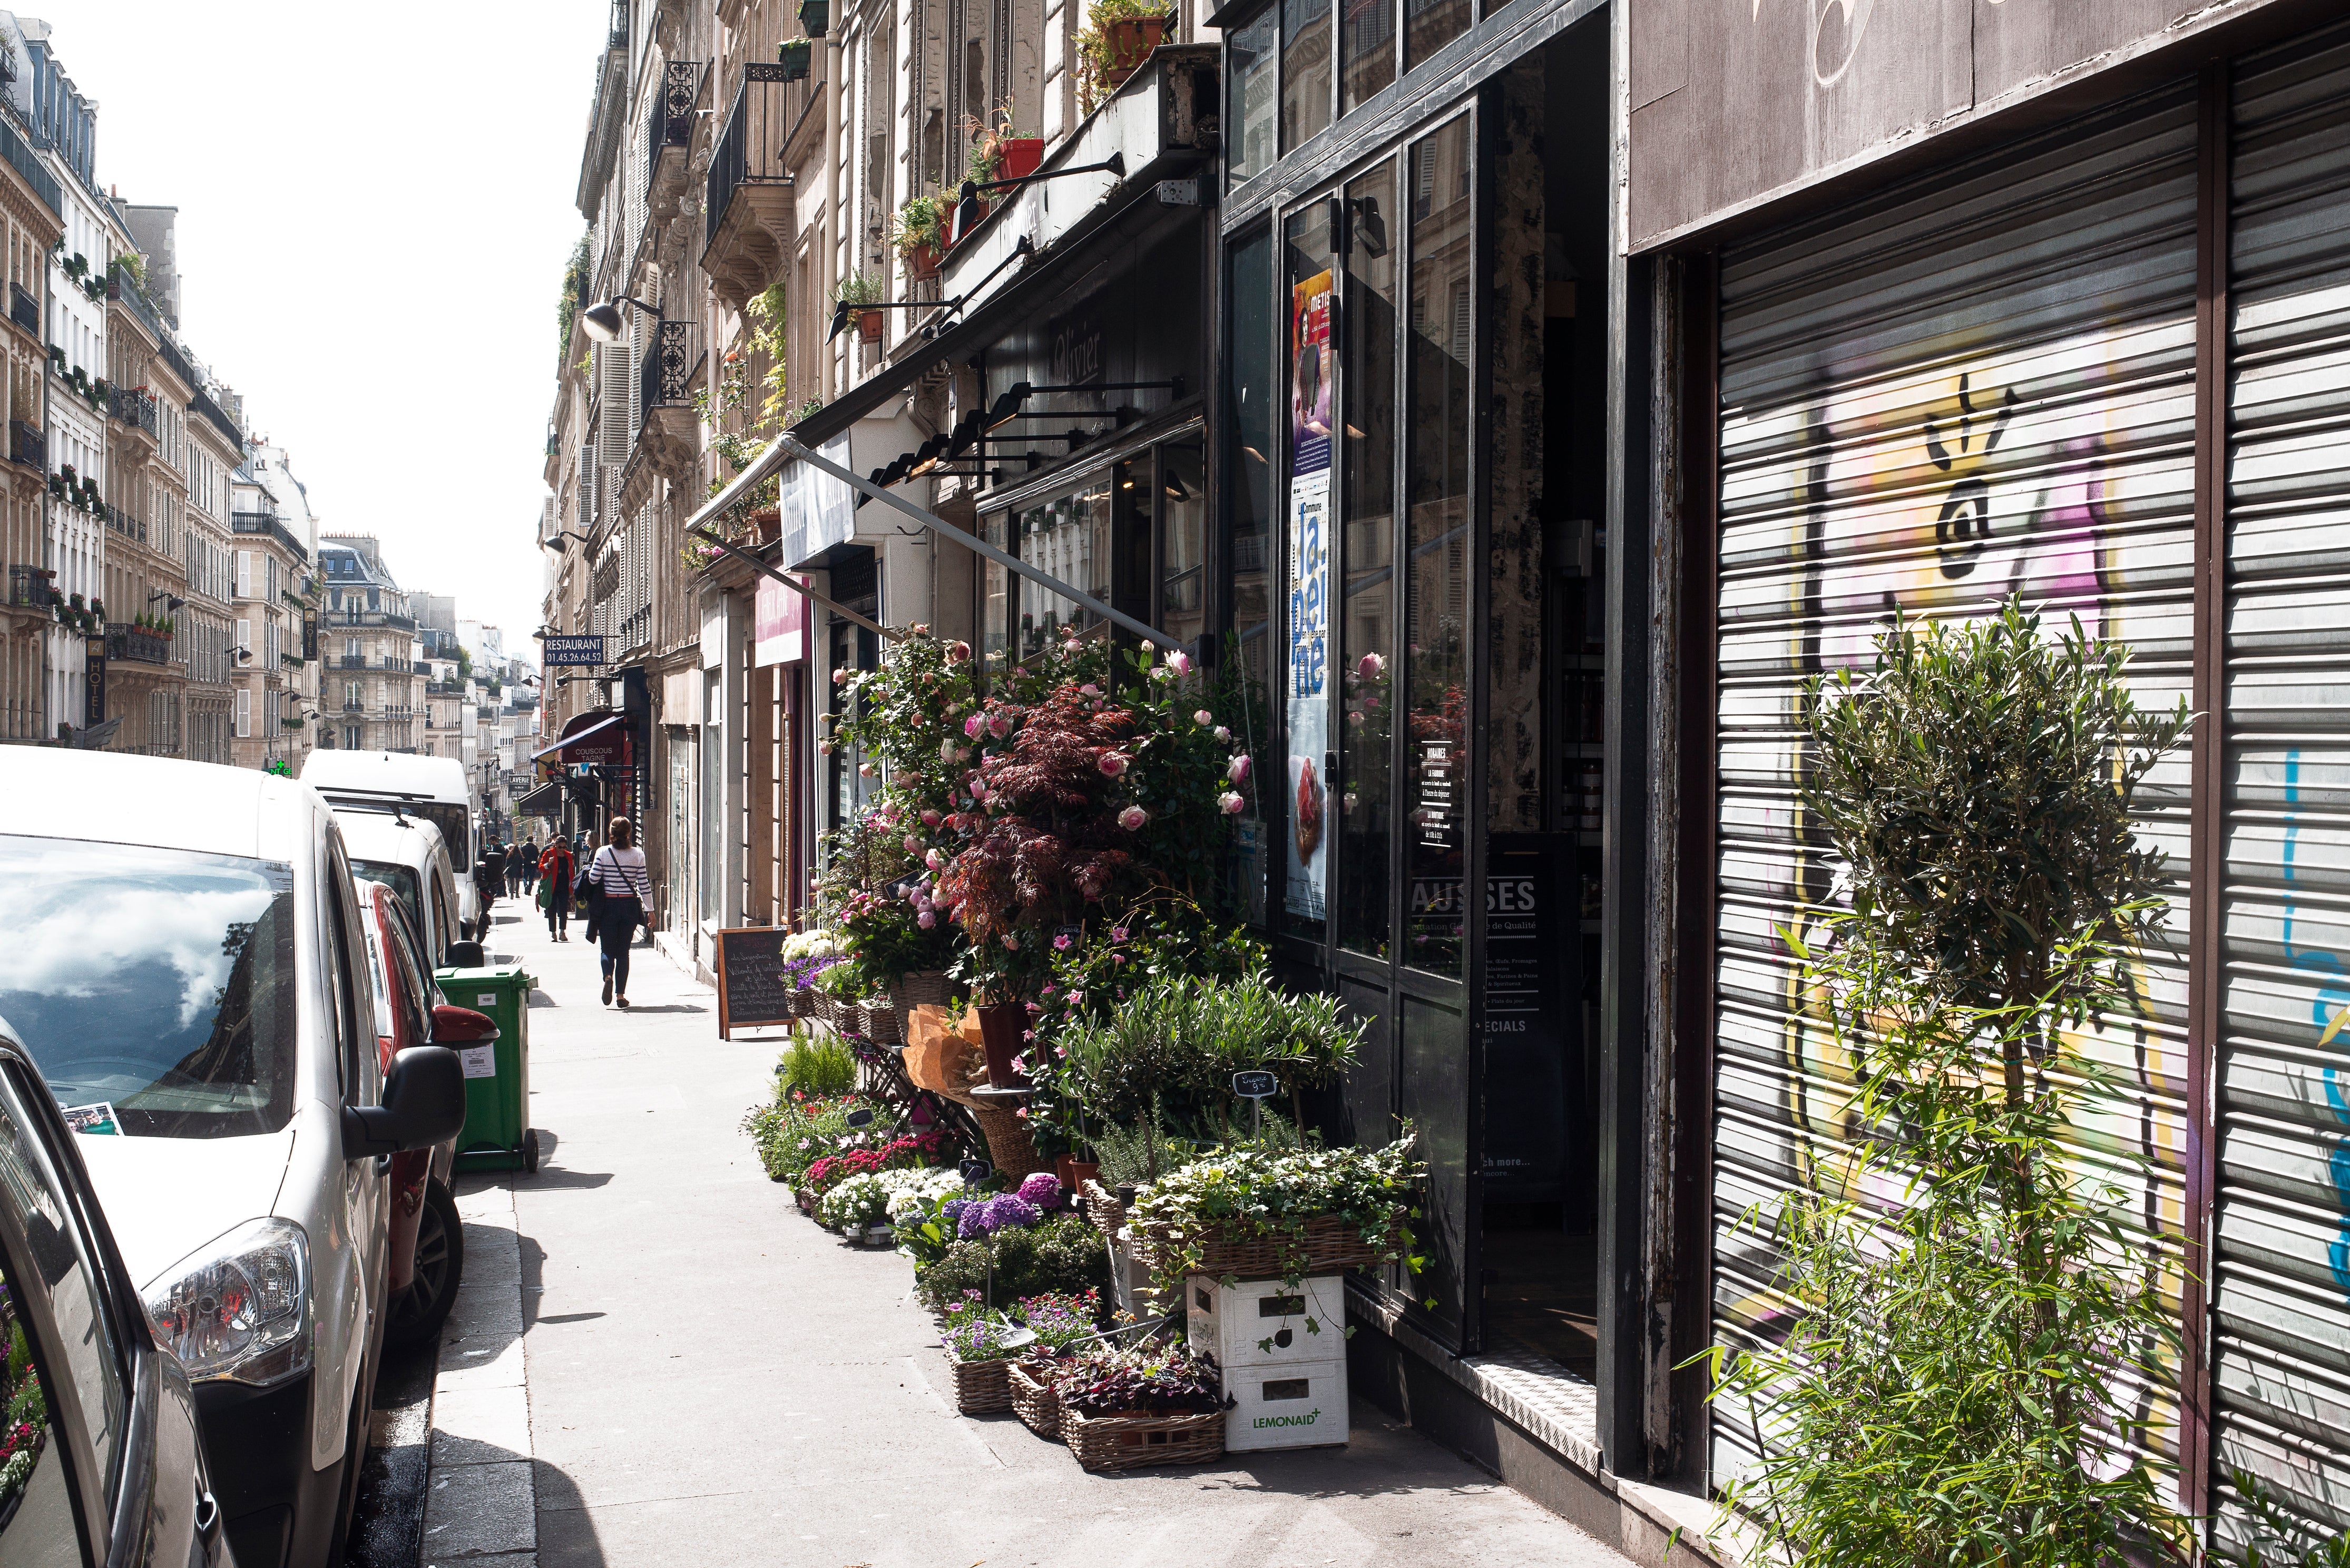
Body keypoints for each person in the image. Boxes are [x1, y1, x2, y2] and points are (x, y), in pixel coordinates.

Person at [585, 814, 651, 1008]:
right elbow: (644, 884)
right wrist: (651, 910)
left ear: (610, 833)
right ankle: (621, 996)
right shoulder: (638, 854)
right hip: (629, 907)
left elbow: (594, 879)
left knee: (607, 949)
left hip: (609, 907)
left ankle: (607, 976)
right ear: (629, 833)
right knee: (624, 952)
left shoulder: (603, 852)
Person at [537, 837, 575, 942]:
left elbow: (571, 872)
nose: (562, 849)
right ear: (556, 845)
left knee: (564, 910)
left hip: (564, 886)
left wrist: (571, 889)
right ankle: (553, 933)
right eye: (560, 847)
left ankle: (562, 932)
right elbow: (540, 867)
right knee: (552, 910)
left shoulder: (568, 855)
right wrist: (548, 864)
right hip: (552, 887)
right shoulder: (549, 854)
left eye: (564, 847)